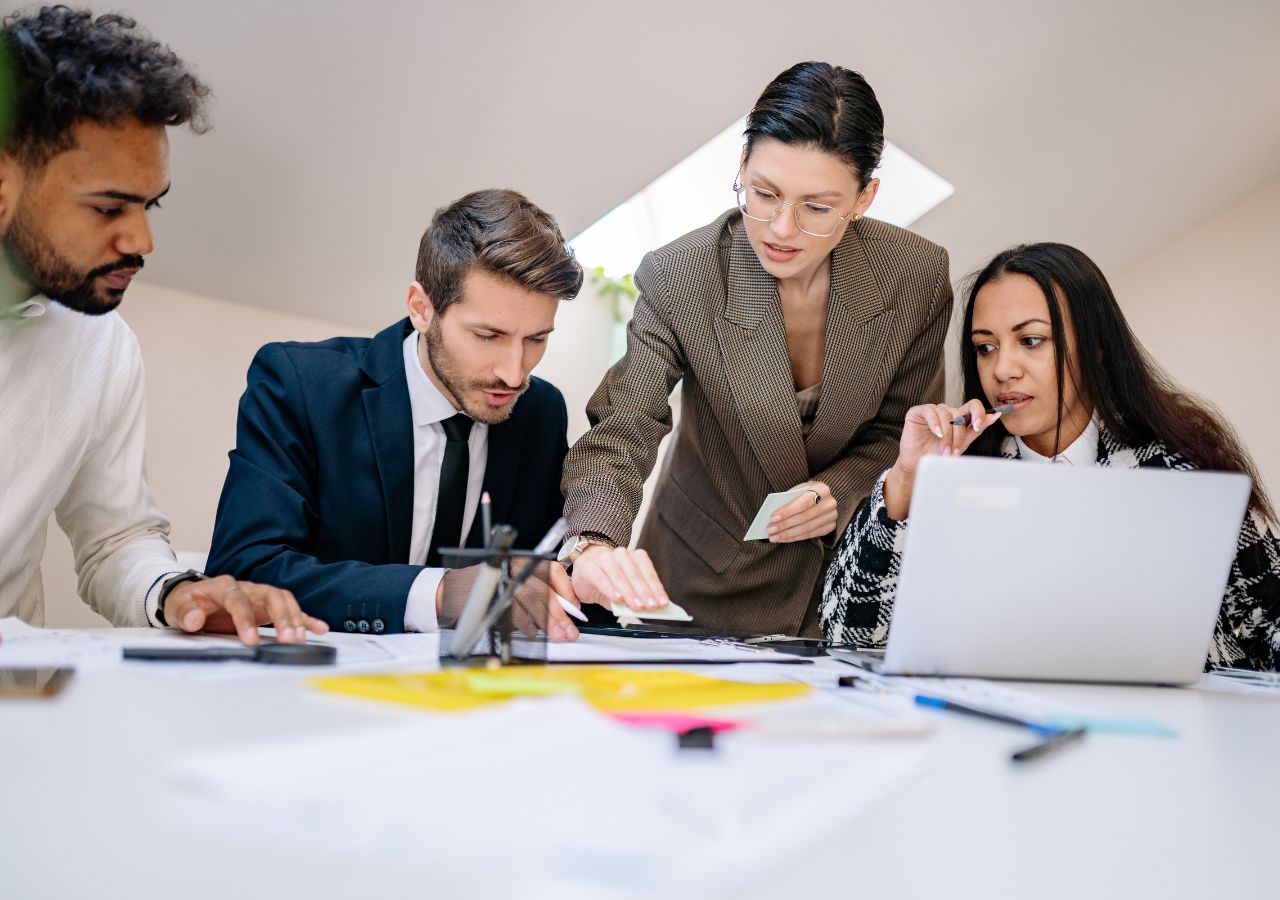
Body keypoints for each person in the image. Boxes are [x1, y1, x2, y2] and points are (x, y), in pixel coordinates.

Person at [558, 61, 953, 636]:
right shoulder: (681, 275)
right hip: (698, 580)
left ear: (865, 197)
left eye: (817, 207)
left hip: (845, 583)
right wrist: (593, 543)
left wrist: (836, 492)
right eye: (763, 193)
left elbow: (902, 432)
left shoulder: (914, 275)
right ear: (741, 167)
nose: (781, 228)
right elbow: (624, 426)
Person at [0, 6, 325, 645]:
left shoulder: (101, 344)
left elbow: (116, 539)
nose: (143, 238)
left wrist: (177, 592)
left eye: (150, 204)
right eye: (109, 207)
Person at [820, 242, 1280, 671]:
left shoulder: (1182, 471)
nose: (1002, 369)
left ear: (1096, 347)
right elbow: (846, 634)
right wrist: (907, 479)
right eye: (986, 347)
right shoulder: (958, 477)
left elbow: (1270, 624)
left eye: (1031, 341)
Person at [206, 189, 584, 641]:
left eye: (537, 339)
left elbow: (541, 576)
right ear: (421, 308)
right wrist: (439, 592)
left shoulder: (541, 412)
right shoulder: (300, 385)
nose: (514, 372)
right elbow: (244, 568)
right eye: (488, 335)